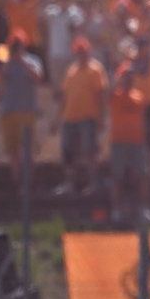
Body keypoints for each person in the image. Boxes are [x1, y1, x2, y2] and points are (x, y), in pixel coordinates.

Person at [56, 37, 107, 196]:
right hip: (69, 117)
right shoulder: (71, 71)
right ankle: (69, 183)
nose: (81, 55)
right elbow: (64, 96)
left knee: (89, 151)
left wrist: (101, 117)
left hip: (88, 117)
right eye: (78, 52)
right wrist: (59, 117)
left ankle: (93, 183)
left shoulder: (96, 70)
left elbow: (101, 95)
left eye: (83, 51)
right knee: (68, 152)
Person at [0, 29, 44, 187]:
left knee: (27, 150)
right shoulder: (6, 62)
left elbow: (37, 78)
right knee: (12, 150)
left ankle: (29, 182)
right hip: (9, 110)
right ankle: (16, 181)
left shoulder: (33, 60)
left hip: (27, 110)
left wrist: (22, 61)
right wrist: (10, 61)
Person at [108, 62, 150, 223]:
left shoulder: (139, 96)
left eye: (131, 76)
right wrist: (119, 77)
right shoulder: (115, 95)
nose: (129, 79)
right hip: (118, 141)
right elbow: (107, 90)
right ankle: (116, 209)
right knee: (117, 177)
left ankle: (143, 208)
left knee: (143, 175)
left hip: (137, 142)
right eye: (126, 76)